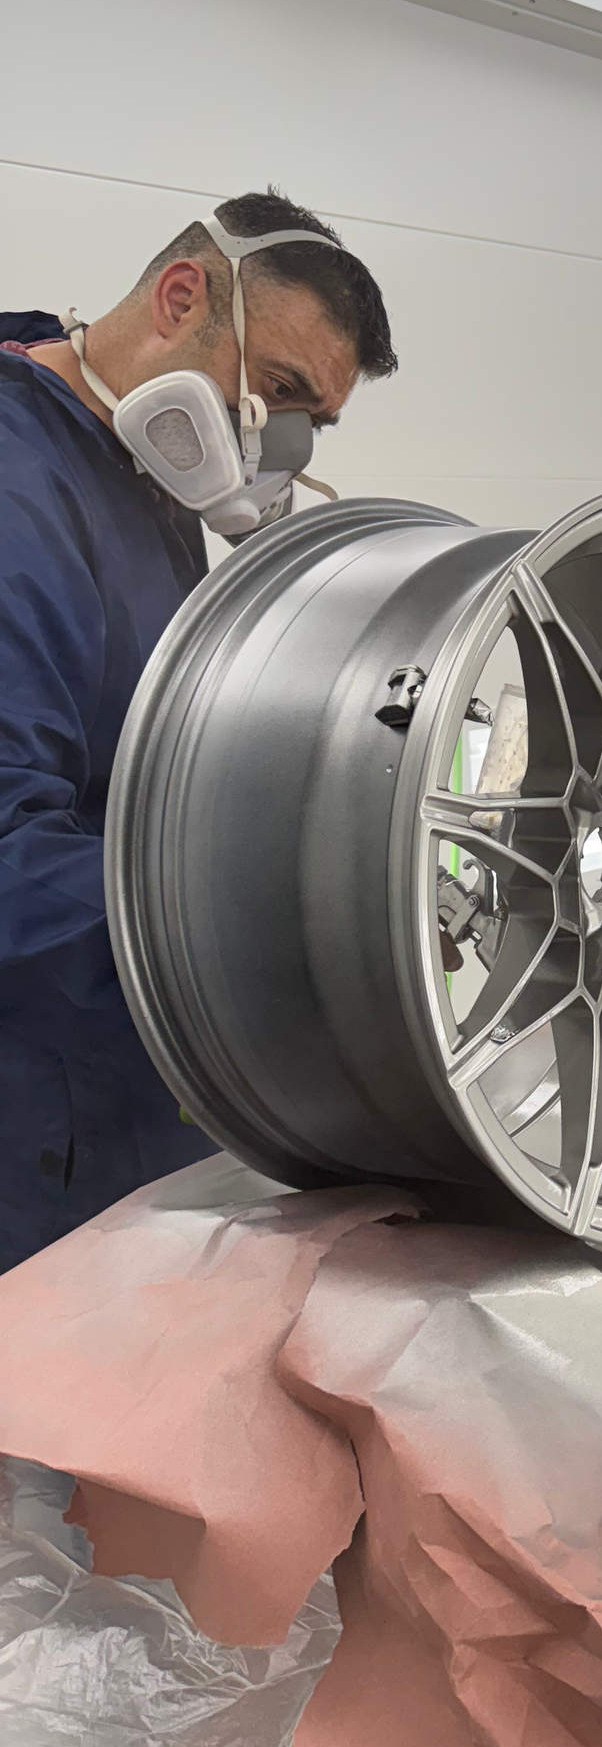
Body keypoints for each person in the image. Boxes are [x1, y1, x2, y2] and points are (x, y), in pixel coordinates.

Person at [0, 192, 396, 1274]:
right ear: (184, 298)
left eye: (311, 418)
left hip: (140, 1098)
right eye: (277, 391)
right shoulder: (16, 484)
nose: (282, 439)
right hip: (38, 1138)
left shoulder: (144, 474)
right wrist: (265, 928)